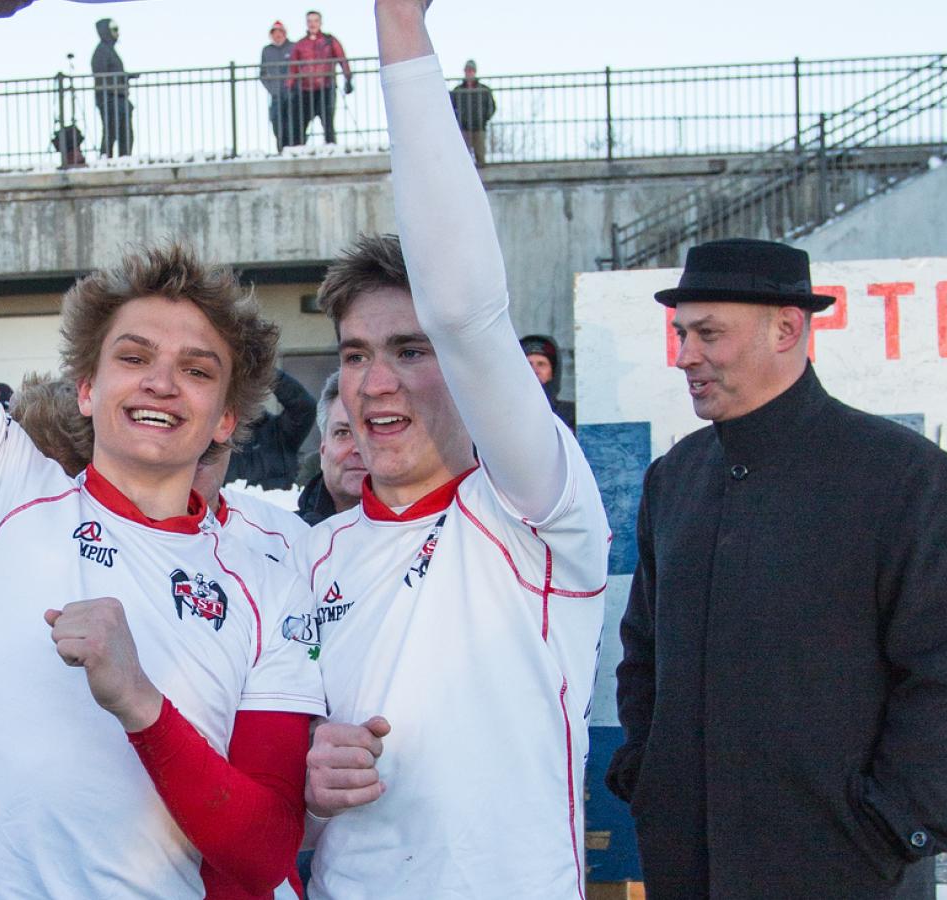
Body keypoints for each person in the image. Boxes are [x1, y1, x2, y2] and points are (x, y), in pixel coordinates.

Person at [0, 7, 326, 897]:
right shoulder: (1, 491)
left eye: (196, 370)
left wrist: (140, 705)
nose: (161, 382)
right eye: (133, 358)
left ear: (228, 417)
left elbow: (266, 847)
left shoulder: (273, 573)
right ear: (86, 389)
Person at [298, 3, 611, 897]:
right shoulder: (311, 554)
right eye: (356, 355)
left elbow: (470, 312)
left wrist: (397, 27)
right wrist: (313, 785)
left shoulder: (533, 512)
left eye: (411, 350)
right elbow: (286, 789)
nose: (376, 382)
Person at [608, 238, 947, 899]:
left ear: (785, 328)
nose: (685, 356)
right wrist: (648, 779)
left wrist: (897, 826)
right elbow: (644, 653)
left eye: (707, 333)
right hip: (687, 867)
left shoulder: (902, 474)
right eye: (680, 333)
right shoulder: (676, 478)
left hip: (851, 873)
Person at [226, 369, 317, 490]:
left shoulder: (279, 431)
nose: (245, 400)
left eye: (251, 392)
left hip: (279, 506)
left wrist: (264, 370)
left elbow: (304, 407)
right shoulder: (218, 438)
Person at [295, 371, 365, 525]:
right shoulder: (282, 539)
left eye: (373, 431)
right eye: (343, 433)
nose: (358, 449)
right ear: (322, 449)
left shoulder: (426, 539)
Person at [288, 10, 353, 145]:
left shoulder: (329, 40)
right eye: (310, 21)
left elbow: (342, 59)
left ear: (320, 22)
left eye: (315, 21)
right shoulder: (300, 44)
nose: (313, 24)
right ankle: (299, 149)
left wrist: (348, 78)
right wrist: (289, 86)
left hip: (326, 87)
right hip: (305, 89)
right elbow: (293, 68)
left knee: (328, 122)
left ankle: (331, 148)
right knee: (301, 122)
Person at [91, 18, 135, 159]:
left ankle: (124, 158)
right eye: (114, 29)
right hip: (109, 98)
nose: (117, 33)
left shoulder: (109, 51)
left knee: (126, 133)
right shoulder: (102, 51)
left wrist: (126, 77)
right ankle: (106, 159)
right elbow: (102, 76)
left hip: (119, 97)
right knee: (111, 131)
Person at [520, 333, 576, 431]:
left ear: (553, 372)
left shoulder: (571, 415)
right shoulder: (504, 414)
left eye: (541, 364)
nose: (534, 371)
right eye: (528, 364)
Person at [449, 58, 496, 166]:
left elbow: (491, 107)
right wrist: (458, 120)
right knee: (463, 158)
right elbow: (451, 107)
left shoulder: (484, 90)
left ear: (475, 72)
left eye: (471, 70)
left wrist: (483, 118)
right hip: (463, 128)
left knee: (480, 156)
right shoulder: (458, 90)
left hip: (479, 127)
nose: (469, 73)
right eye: (467, 70)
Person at [262, 21, 299, 150]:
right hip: (276, 94)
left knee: (293, 122)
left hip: (293, 93)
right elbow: (263, 73)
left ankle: (295, 148)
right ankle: (281, 149)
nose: (277, 35)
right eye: (274, 33)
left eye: (280, 32)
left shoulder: (294, 47)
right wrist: (272, 88)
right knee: (277, 122)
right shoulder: (267, 51)